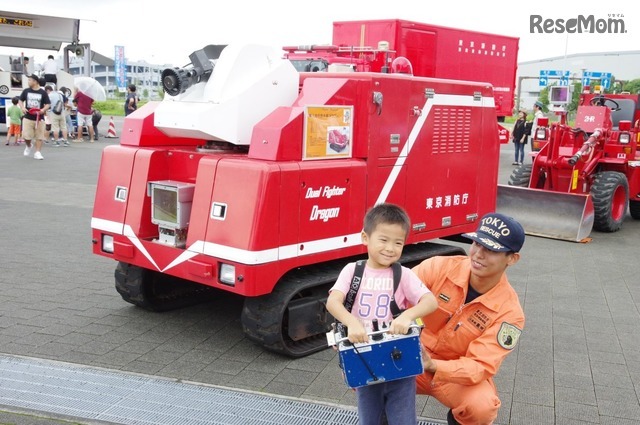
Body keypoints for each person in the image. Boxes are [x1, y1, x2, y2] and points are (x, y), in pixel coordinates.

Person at [327, 203, 438, 425]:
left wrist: (407, 316)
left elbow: (430, 301)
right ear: (365, 237)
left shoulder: (403, 274)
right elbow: (333, 302)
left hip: (397, 353)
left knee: (403, 413)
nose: (390, 248)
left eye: (398, 243)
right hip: (365, 354)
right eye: (383, 240)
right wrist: (351, 322)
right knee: (369, 415)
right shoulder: (352, 270)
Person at [412, 212, 525, 425]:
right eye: (477, 243)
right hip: (413, 358)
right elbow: (395, 292)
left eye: (491, 249)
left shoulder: (510, 313)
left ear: (512, 258)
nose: (478, 254)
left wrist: (434, 365)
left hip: (454, 375)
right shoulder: (439, 267)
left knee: (481, 409)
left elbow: (480, 366)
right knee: (367, 374)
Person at [19, 74, 50, 160]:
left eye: (30, 80)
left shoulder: (43, 93)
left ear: (35, 81)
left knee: (39, 136)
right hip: (28, 117)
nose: (28, 82)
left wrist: (43, 110)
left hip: (39, 118)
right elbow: (20, 100)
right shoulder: (26, 91)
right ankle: (29, 145)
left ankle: (37, 152)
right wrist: (22, 107)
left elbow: (48, 104)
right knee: (26, 136)